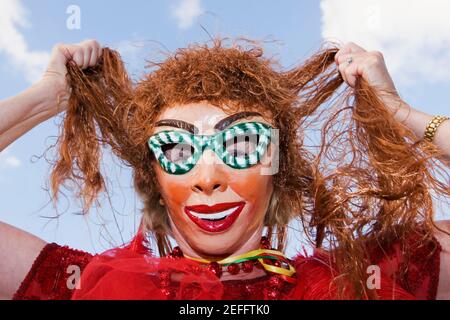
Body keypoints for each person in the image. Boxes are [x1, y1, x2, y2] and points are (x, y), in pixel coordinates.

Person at [1, 39, 449, 300]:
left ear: (278, 169)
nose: (208, 177)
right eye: (177, 150)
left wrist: (396, 113)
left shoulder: (356, 280)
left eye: (241, 144)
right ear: (154, 178)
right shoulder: (91, 285)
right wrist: (48, 97)